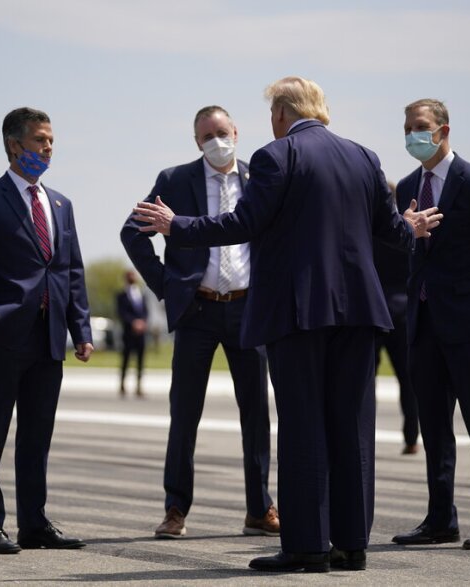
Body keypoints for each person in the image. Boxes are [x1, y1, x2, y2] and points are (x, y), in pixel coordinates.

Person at [133, 77, 441, 572]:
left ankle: (306, 546)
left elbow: (242, 224)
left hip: (298, 315)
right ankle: (350, 545)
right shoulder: (364, 157)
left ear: (281, 114)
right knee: (352, 431)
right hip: (360, 315)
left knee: (302, 429)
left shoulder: (278, 156)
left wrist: (178, 226)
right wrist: (412, 227)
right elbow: (391, 233)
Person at [120, 105, 278, 540]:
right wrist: (165, 284)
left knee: (256, 414)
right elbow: (132, 232)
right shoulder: (174, 181)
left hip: (249, 310)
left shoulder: (259, 179)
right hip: (198, 310)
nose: (217, 141)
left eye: (222, 132)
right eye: (207, 136)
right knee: (185, 412)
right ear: (197, 142)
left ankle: (259, 509)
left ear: (237, 132)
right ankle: (175, 509)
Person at [0, 107, 94, 555]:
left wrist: (81, 328)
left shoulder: (60, 204)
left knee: (37, 436)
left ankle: (34, 524)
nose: (47, 148)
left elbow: (71, 270)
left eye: (51, 141)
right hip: (5, 334)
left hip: (49, 336)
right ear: (14, 145)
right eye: (39, 141)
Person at [390, 99, 470, 550]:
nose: (412, 135)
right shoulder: (406, 186)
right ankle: (440, 519)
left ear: (444, 131)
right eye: (407, 128)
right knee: (435, 428)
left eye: (421, 127)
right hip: (423, 323)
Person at [374, 182, 419, 455]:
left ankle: (363, 434)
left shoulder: (371, 227)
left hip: (374, 311)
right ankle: (412, 437)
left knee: (367, 379)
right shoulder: (404, 230)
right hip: (402, 311)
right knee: (408, 379)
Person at [116, 270, 148, 397]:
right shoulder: (121, 295)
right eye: (130, 276)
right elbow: (121, 312)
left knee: (141, 360)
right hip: (128, 333)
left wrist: (143, 322)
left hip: (141, 334)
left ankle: (139, 386)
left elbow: (145, 311)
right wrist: (133, 323)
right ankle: (122, 385)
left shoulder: (141, 294)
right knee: (126, 359)